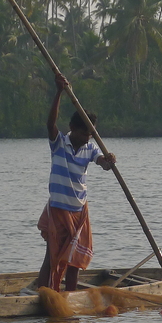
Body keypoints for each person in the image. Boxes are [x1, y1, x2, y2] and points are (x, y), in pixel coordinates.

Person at [37, 73, 115, 292]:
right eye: (83, 133)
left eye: (90, 134)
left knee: (74, 262)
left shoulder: (91, 148)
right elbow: (50, 123)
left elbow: (102, 162)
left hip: (79, 212)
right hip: (59, 209)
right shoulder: (59, 143)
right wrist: (59, 91)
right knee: (51, 257)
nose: (87, 137)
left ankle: (70, 297)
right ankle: (44, 294)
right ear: (72, 127)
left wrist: (109, 161)